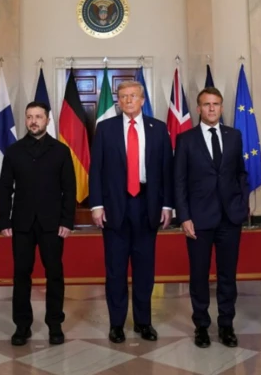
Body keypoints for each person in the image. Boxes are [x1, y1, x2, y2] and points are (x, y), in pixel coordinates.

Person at [89, 80, 173, 344]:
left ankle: (143, 322)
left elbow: (166, 171)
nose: (127, 101)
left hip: (147, 205)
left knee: (144, 269)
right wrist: (96, 205)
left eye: (133, 96)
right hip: (115, 206)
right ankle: (116, 324)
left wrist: (167, 205)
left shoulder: (158, 129)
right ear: (119, 100)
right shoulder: (105, 128)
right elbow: (96, 170)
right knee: (115, 270)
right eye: (123, 97)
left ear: (142, 99)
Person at [174, 87, 249, 348]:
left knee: (228, 275)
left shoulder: (234, 136)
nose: (212, 109)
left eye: (216, 104)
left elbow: (241, 173)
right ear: (198, 109)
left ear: (222, 106)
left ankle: (226, 325)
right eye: (206, 104)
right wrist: (184, 217)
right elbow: (179, 182)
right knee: (199, 275)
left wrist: (242, 203)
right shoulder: (186, 140)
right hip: (199, 219)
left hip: (230, 218)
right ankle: (202, 326)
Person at [0, 102, 77, 347]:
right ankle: (22, 326)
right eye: (30, 116)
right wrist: (4, 220)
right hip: (21, 223)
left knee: (55, 274)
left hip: (52, 224)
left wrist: (67, 221)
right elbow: (4, 188)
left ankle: (55, 325)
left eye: (38, 117)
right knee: (21, 275)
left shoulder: (61, 151)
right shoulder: (14, 150)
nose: (34, 121)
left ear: (47, 119)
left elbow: (70, 189)